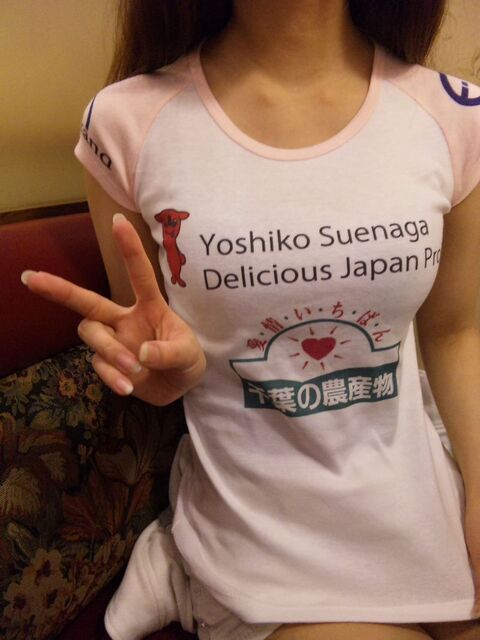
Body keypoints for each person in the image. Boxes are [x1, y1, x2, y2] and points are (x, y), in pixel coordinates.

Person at [21, 1, 480, 638]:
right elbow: (151, 340)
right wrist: (162, 370)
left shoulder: (453, 114)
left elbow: (457, 332)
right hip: (261, 542)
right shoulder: (127, 121)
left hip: (421, 509)